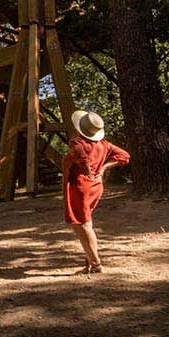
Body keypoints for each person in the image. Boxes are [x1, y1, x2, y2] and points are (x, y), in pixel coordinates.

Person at [60, 108, 130, 273]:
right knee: (84, 223)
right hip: (95, 186)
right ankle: (89, 263)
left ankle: (96, 264)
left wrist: (87, 169)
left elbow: (80, 158)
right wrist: (104, 168)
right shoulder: (104, 144)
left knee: (83, 225)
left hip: (81, 186)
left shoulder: (77, 143)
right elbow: (125, 156)